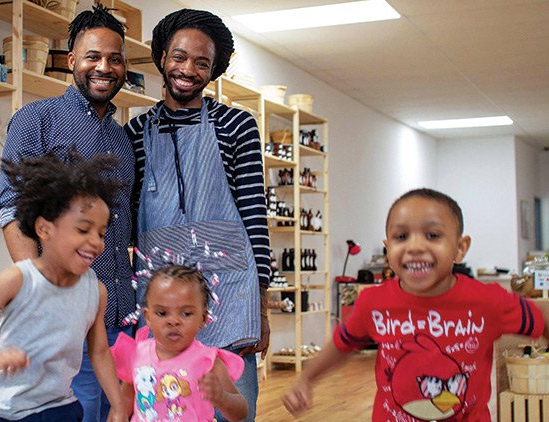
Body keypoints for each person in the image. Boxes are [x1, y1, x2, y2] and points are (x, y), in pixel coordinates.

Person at [283, 188, 549, 421]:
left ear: (460, 248)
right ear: (388, 249)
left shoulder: (487, 301)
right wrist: (306, 379)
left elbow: (543, 315)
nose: (415, 246)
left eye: (432, 235)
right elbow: (342, 343)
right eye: (401, 237)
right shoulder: (373, 303)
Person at [124, 9, 270, 420]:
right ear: (162, 58)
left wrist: (261, 304)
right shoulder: (135, 133)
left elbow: (254, 215)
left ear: (214, 70)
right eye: (179, 57)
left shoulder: (237, 125)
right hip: (162, 295)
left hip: (230, 291)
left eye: (201, 63)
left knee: (231, 407)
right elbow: (130, 220)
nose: (188, 70)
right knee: (165, 408)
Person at [0, 5, 136, 421]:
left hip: (121, 312)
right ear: (72, 60)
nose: (104, 67)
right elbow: (10, 210)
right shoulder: (36, 120)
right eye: (93, 56)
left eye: (114, 58)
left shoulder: (123, 140)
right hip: (67, 321)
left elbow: (122, 227)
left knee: (121, 413)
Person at [0, 152, 126, 421]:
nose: (95, 242)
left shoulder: (95, 290)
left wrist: (117, 404)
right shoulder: (19, 279)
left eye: (101, 233)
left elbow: (99, 351)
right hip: (7, 410)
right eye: (83, 230)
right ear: (45, 229)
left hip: (60, 405)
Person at [111, 265, 248, 421]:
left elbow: (241, 412)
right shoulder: (137, 354)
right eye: (162, 313)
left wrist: (222, 397)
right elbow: (123, 404)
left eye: (186, 313)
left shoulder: (208, 361)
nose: (173, 321)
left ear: (203, 318)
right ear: (147, 317)